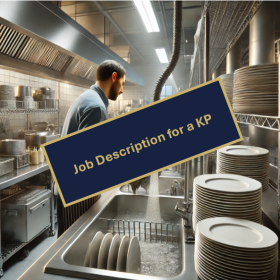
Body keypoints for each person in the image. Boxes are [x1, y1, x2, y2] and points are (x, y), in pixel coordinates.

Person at [56, 60, 126, 238]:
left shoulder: (88, 98)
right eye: (122, 84)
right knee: (76, 245)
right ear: (114, 77)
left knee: (67, 243)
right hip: (79, 192)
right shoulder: (96, 107)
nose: (122, 90)